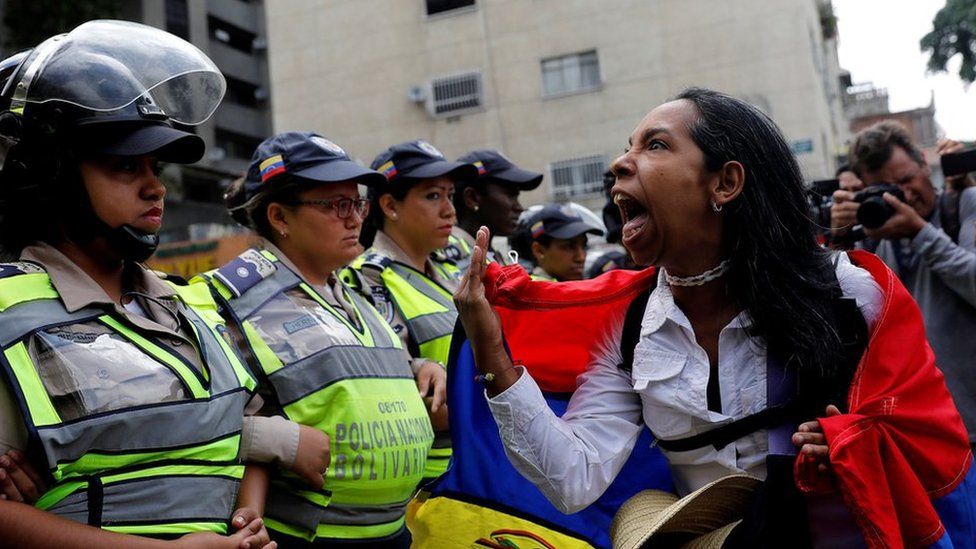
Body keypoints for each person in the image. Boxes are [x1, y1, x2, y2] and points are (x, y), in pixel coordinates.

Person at [453, 88, 970, 546]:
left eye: (654, 145)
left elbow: (930, 441)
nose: (619, 164)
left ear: (725, 183)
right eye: (626, 147)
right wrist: (491, 351)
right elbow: (572, 478)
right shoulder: (629, 329)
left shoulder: (850, 293)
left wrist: (851, 439)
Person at [0, 20, 274, 548]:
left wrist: (247, 519)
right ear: (50, 177)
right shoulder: (9, 308)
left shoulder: (181, 305)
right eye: (125, 166)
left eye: (156, 166)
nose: (155, 186)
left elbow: (241, 435)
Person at [199, 132, 441, 547]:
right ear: (280, 218)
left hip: (393, 533)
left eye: (358, 203)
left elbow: (351, 367)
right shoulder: (228, 302)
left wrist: (419, 367)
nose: (355, 218)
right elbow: (187, 421)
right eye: (336, 205)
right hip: (306, 536)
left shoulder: (355, 292)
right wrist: (276, 441)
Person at [830, 121, 976, 451]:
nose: (906, 195)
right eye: (889, 191)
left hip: (971, 424)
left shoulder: (965, 204)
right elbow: (837, 317)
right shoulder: (872, 235)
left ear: (925, 163)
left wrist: (919, 232)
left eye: (907, 179)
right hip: (915, 434)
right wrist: (840, 239)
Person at [343, 140, 477, 482]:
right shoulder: (366, 278)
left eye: (450, 195)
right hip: (427, 480)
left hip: (472, 465)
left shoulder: (449, 274)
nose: (449, 210)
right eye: (433, 196)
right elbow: (405, 396)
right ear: (389, 205)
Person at [435, 149, 542, 271]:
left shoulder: (490, 255)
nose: (519, 208)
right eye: (510, 196)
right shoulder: (454, 259)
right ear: (472, 198)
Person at [523, 204, 604, 281]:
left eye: (584, 246)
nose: (581, 257)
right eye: (569, 246)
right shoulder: (533, 293)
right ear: (539, 250)